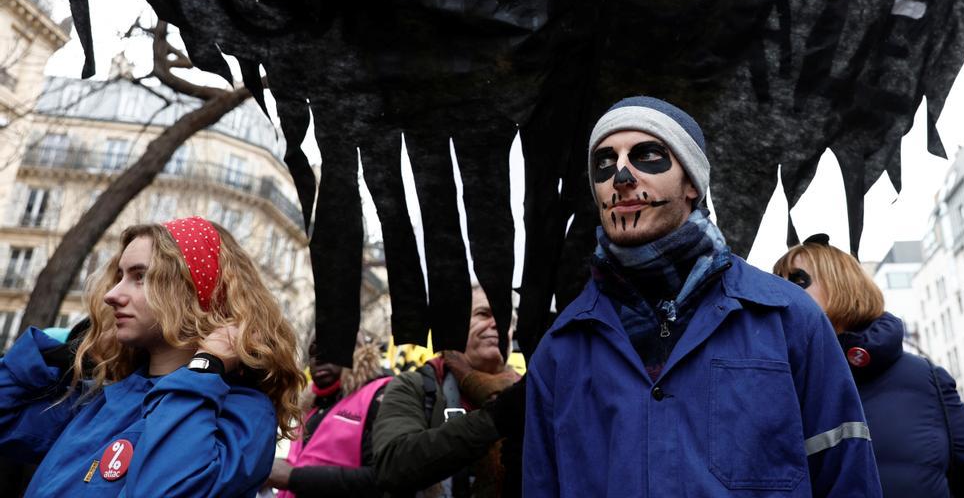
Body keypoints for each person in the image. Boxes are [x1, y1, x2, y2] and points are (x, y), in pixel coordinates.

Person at [524, 96, 881, 497]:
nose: (621, 177)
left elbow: (846, 478)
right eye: (604, 163)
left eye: (647, 155)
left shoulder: (788, 319)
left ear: (692, 182)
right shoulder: (561, 350)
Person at [0, 217, 305, 496]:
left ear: (197, 291)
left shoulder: (243, 413)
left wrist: (204, 369)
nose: (111, 294)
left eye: (140, 276)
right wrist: (61, 353)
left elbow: (163, 488)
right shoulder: (102, 397)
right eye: (120, 276)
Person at [773, 236, 964, 498]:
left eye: (797, 280)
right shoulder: (772, 389)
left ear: (842, 285)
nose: (780, 293)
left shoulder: (925, 378)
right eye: (776, 282)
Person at [372, 283, 525, 497]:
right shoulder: (415, 386)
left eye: (505, 318)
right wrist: (493, 419)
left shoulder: (529, 394)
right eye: (484, 314)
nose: (497, 324)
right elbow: (391, 466)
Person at [269, 335, 392, 497]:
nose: (319, 358)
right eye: (313, 352)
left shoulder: (381, 397)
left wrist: (293, 477)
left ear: (355, 352)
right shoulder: (309, 408)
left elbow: (386, 479)